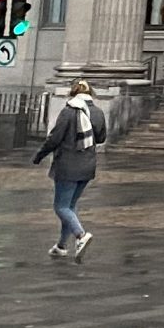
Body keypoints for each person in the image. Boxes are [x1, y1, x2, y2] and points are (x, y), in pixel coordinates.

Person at [32, 80, 108, 259]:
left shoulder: (69, 111)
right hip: (87, 165)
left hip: (67, 165)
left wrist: (39, 155)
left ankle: (81, 235)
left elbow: (54, 138)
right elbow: (101, 138)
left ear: (73, 93)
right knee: (70, 206)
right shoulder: (98, 112)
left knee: (61, 207)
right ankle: (61, 245)